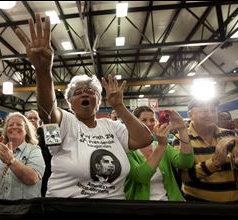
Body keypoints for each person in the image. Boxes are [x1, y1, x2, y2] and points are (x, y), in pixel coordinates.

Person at [15, 14, 153, 199]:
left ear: (97, 101)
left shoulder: (112, 127)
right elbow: (47, 113)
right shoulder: (65, 123)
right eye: (78, 93)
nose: (85, 93)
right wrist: (43, 70)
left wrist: (119, 107)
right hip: (68, 208)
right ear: (69, 103)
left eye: (91, 91)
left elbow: (145, 139)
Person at [174, 98, 238, 202]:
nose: (211, 114)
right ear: (190, 115)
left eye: (213, 110)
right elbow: (184, 176)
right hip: (200, 205)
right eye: (204, 111)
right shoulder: (182, 139)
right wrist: (214, 163)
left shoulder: (230, 134)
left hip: (234, 203)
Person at [124, 106, 194, 201]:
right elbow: (141, 177)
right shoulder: (126, 149)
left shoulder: (163, 146)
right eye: (143, 120)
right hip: (140, 207)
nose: (149, 124)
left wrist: (182, 129)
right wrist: (161, 146)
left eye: (152, 120)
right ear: (134, 123)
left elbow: (186, 163)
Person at [0, 112, 45, 200]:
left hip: (22, 210)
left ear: (26, 130)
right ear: (6, 130)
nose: (14, 127)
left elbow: (32, 179)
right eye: (10, 125)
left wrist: (12, 161)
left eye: (19, 125)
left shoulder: (34, 150)